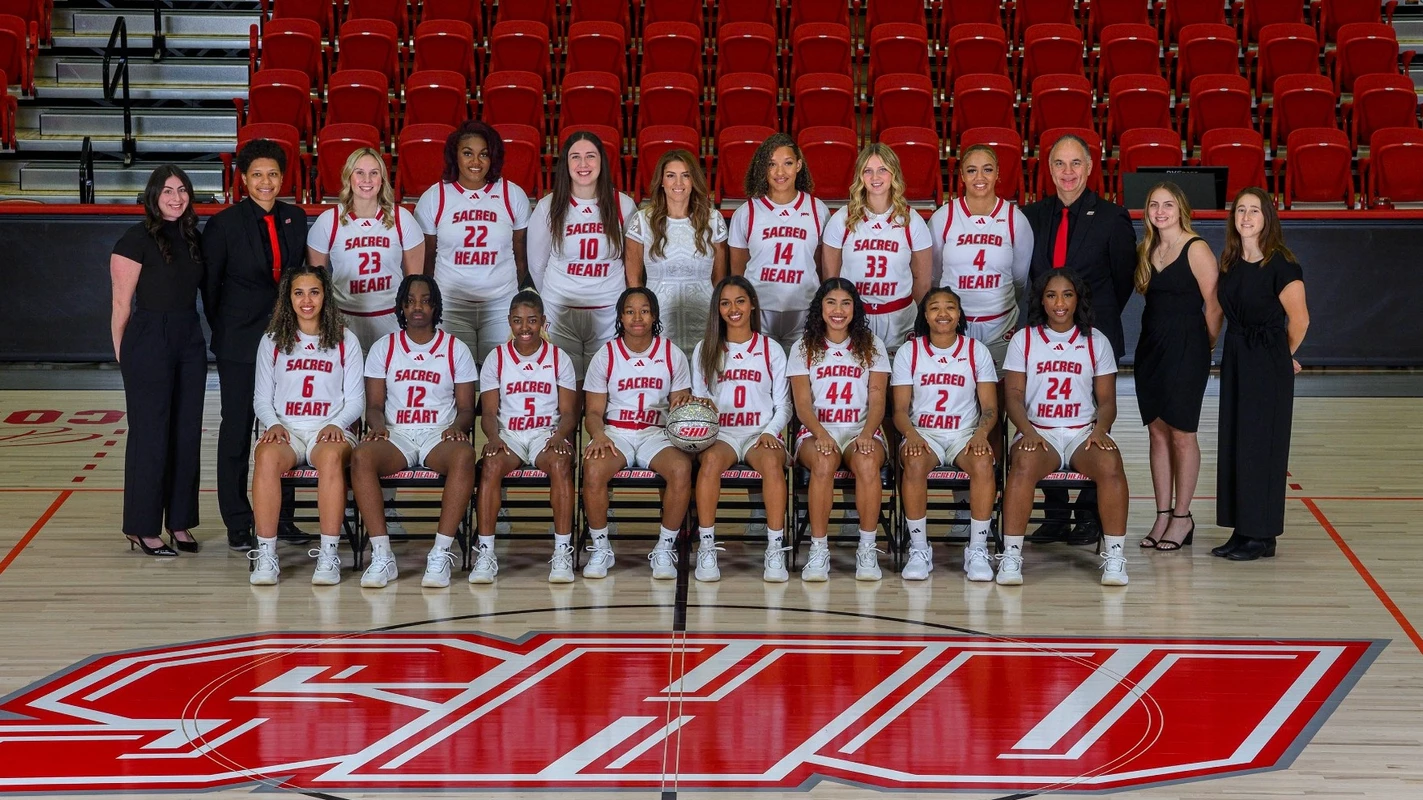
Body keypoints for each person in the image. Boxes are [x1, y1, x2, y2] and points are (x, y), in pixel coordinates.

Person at [1020, 133, 1135, 546]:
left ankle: (1089, 515)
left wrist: (1090, 321)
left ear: (1088, 168)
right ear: (1049, 170)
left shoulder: (1112, 217)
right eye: (1059, 164)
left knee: (1092, 420)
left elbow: (1122, 280)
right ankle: (1055, 515)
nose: (1067, 172)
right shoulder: (1032, 216)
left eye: (1075, 163)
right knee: (1045, 414)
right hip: (1044, 335)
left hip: (1094, 333)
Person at [201, 139, 309, 551]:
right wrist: (229, 331)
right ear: (244, 179)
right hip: (240, 341)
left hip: (288, 342)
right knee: (237, 430)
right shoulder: (224, 225)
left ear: (283, 178)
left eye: (274, 174)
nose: (266, 182)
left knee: (286, 427)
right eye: (258, 175)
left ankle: (282, 518)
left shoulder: (296, 218)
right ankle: (237, 520)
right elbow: (210, 289)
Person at [999, 270, 1129, 587]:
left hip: (1082, 432)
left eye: (1067, 294)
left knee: (1110, 464)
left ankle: (1115, 558)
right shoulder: (1024, 339)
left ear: (1077, 299)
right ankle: (1011, 557)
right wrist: (1027, 431)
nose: (1060, 302)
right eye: (1052, 295)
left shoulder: (1096, 341)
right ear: (1041, 301)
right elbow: (1013, 397)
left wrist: (1100, 430)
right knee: (1022, 466)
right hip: (1039, 430)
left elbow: (1107, 401)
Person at [929, 143, 1034, 534]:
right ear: (960, 176)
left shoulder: (1014, 219)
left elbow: (1020, 278)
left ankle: (991, 507)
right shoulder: (943, 218)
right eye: (971, 170)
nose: (979, 177)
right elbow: (934, 275)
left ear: (998, 175)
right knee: (959, 415)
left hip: (999, 329)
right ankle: (963, 508)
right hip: (953, 329)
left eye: (987, 169)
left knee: (995, 418)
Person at [350, 275, 478, 589]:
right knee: (361, 456)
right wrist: (378, 427)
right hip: (397, 434)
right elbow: (374, 406)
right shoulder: (384, 348)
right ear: (401, 307)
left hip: (439, 433)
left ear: (435, 306)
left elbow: (466, 408)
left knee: (464, 456)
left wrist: (457, 428)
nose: (417, 307)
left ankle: (440, 552)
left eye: (424, 300)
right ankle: (382, 555)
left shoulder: (455, 349)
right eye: (410, 301)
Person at [109, 166, 207, 556]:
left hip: (189, 336)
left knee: (187, 432)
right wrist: (124, 356)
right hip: (149, 338)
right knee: (150, 435)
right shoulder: (134, 239)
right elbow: (120, 305)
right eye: (167, 191)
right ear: (153, 195)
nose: (176, 198)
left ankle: (179, 521)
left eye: (182, 190)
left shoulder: (194, 237)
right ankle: (142, 527)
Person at [246, 266, 364, 585]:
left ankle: (328, 554)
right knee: (266, 456)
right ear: (288, 298)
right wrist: (273, 424)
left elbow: (356, 400)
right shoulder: (272, 340)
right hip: (288, 429)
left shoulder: (345, 339)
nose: (307, 300)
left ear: (326, 296)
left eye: (314, 292)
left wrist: (337, 423)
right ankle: (266, 554)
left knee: (330, 457)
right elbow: (261, 398)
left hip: (331, 429)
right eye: (298, 293)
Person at [1214, 187, 1309, 561]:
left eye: (1254, 210)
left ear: (1267, 217)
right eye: (1240, 210)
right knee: (1237, 443)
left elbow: (1300, 320)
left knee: (1261, 447)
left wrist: (1281, 357)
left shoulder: (1282, 264)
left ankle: (1261, 534)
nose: (1246, 217)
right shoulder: (1231, 261)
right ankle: (1244, 529)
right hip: (1237, 355)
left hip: (1266, 361)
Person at [581, 287, 695, 580]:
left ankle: (664, 547)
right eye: (630, 311)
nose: (637, 318)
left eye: (644, 311)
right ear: (620, 317)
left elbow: (680, 408)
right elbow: (592, 412)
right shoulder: (606, 355)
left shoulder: (671, 354)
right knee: (592, 469)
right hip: (616, 433)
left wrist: (684, 407)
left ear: (654, 315)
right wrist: (599, 435)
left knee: (681, 469)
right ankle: (601, 547)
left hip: (655, 434)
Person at [1133, 182, 1223, 551]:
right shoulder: (1147, 248)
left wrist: (1205, 346)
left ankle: (1183, 517)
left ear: (1181, 209)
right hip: (1151, 348)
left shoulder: (1195, 248)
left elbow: (1214, 306)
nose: (1160, 211)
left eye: (1168, 204)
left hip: (1187, 348)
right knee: (1157, 433)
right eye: (1154, 204)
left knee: (1182, 434)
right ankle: (1162, 514)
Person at [891, 288, 999, 580]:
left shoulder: (976, 350)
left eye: (950, 307)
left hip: (965, 434)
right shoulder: (909, 351)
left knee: (983, 463)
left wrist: (981, 434)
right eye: (935, 308)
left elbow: (990, 407)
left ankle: (977, 550)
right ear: (925, 315)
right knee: (914, 463)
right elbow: (899, 410)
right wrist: (911, 434)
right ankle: (918, 549)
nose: (943, 314)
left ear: (959, 314)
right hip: (924, 433)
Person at [788, 278, 891, 582]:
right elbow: (802, 405)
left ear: (854, 308)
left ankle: (867, 548)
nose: (838, 310)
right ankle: (818, 549)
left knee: (868, 462)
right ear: (820, 307)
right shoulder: (803, 347)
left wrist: (867, 433)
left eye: (846, 303)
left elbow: (877, 399)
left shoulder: (872, 344)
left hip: (861, 428)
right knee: (823, 462)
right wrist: (821, 434)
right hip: (818, 430)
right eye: (831, 302)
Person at [689, 276, 791, 582]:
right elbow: (700, 400)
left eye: (740, 301)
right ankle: (707, 546)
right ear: (717, 309)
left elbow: (784, 405)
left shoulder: (771, 349)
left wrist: (770, 432)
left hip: (761, 432)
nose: (733, 309)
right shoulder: (705, 349)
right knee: (709, 462)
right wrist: (705, 415)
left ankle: (775, 548)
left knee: (772, 464)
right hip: (723, 434)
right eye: (725, 303)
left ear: (752, 304)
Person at [475, 291, 580, 583]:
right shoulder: (496, 358)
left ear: (543, 322)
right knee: (490, 465)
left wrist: (560, 435)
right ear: (509, 321)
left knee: (560, 463)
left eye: (532, 320)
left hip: (546, 434)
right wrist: (493, 437)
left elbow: (569, 413)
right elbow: (488, 412)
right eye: (518, 321)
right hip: (509, 435)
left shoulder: (559, 358)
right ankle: (486, 553)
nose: (525, 328)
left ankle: (562, 552)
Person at [414, 121, 531, 366]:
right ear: (455, 155)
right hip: (451, 305)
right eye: (468, 153)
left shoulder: (512, 195)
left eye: (484, 154)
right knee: (455, 376)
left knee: (500, 375)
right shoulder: (435, 197)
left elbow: (521, 256)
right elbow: (427, 259)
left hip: (501, 305)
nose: (476, 162)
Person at [528, 131, 639, 379]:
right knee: (567, 388)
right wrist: (558, 295)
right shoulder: (548, 206)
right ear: (565, 164)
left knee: (605, 385)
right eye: (575, 157)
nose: (583, 164)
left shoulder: (623, 205)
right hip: (561, 312)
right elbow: (536, 265)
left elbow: (631, 262)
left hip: (609, 313)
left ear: (602, 161)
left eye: (590, 156)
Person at [307, 147, 424, 350]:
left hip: (392, 319)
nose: (367, 180)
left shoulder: (402, 218)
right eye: (359, 172)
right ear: (349, 177)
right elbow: (315, 282)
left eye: (374, 173)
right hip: (344, 320)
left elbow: (416, 284)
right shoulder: (328, 221)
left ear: (382, 179)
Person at [821, 142, 932, 356]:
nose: (875, 177)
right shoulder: (841, 219)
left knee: (898, 375)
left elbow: (923, 281)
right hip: (855, 318)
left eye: (882, 170)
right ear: (860, 176)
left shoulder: (912, 220)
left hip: (900, 319)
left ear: (893, 173)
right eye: (868, 171)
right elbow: (831, 280)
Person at [729, 132, 831, 351]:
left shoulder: (818, 209)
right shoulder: (746, 212)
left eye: (787, 163)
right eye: (771, 164)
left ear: (799, 165)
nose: (780, 172)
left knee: (802, 370)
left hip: (805, 309)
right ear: (762, 168)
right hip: (760, 310)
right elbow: (738, 273)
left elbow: (820, 264)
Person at [625, 149, 729, 358]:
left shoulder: (713, 219)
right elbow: (634, 281)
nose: (678, 183)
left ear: (693, 180)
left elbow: (719, 279)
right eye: (671, 175)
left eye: (685, 175)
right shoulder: (642, 221)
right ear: (661, 182)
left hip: (704, 318)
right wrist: (645, 317)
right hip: (660, 320)